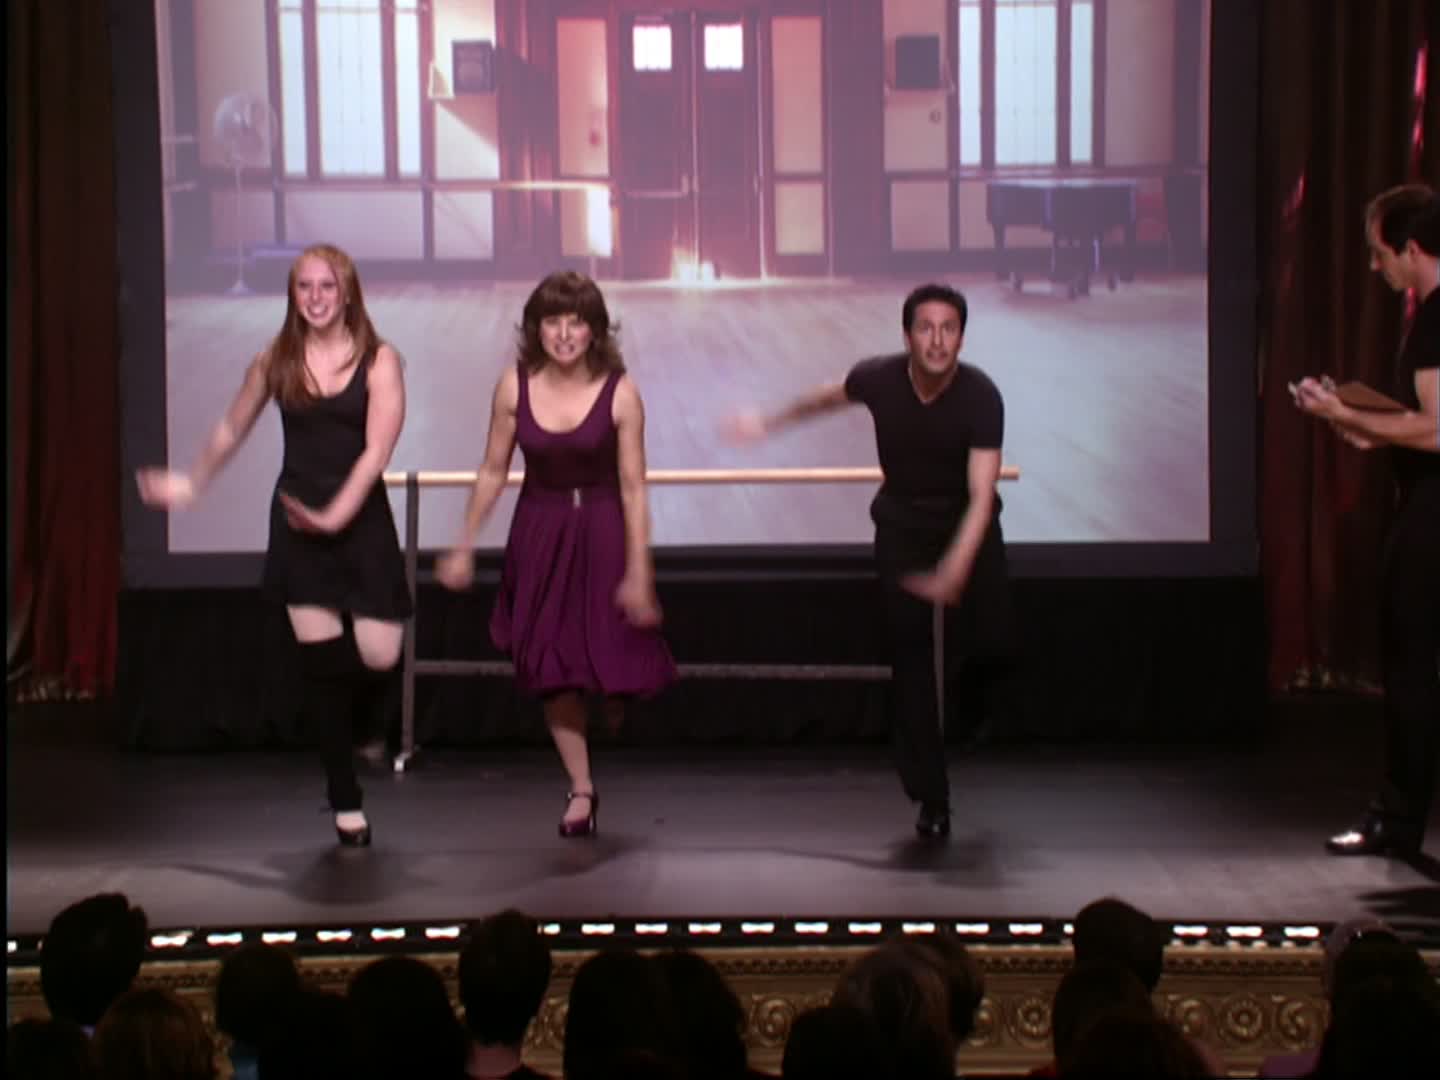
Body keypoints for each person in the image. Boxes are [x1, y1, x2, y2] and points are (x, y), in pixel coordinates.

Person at [138, 244, 411, 847]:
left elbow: (375, 454)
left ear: (347, 292)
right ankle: (345, 800)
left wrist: (334, 518)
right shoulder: (275, 359)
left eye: (327, 286)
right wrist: (192, 483)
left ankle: (368, 730)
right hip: (297, 520)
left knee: (379, 655)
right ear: (292, 295)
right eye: (304, 287)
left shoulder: (380, 360)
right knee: (322, 669)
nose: (315, 298)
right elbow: (230, 427)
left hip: (359, 522)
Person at [725, 282, 1014, 838]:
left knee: (995, 644)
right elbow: (824, 398)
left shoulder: (982, 396)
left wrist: (954, 569)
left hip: (966, 523)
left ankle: (970, 717)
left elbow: (982, 497)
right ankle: (932, 797)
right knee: (911, 659)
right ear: (907, 336)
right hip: (903, 526)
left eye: (948, 329)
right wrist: (767, 422)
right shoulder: (880, 378)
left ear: (961, 338)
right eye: (925, 329)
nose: (937, 341)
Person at [437, 271, 675, 836]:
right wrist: (464, 544)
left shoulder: (621, 393)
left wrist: (640, 570)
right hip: (540, 531)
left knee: (609, 659)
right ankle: (582, 788)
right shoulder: (512, 388)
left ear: (595, 330)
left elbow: (634, 487)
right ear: (535, 328)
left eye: (577, 322)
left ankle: (610, 696)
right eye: (552, 322)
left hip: (603, 529)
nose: (564, 334)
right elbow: (493, 470)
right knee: (551, 665)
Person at [1292, 184, 1440, 857]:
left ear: (1412, 249)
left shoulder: (1437, 318)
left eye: (1380, 253)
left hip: (1432, 515)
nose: (1375, 266)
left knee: (1411, 667)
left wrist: (1343, 414)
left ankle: (1399, 819)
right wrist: (1357, 420)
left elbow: (1437, 429)